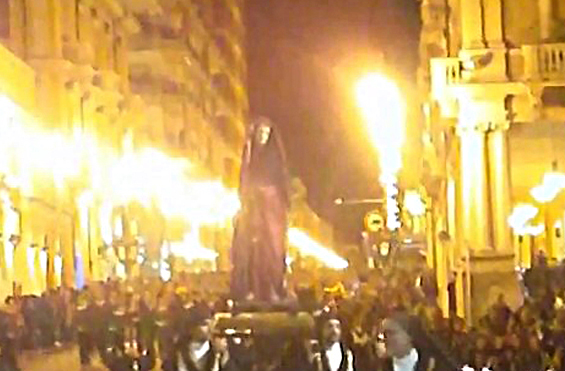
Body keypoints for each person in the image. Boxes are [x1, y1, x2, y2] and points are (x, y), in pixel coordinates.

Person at [231, 117, 290, 302]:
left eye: (266, 133)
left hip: (271, 209)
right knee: (252, 249)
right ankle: (252, 288)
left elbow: (282, 184)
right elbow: (244, 180)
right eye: (260, 133)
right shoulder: (250, 154)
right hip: (254, 208)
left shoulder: (276, 159)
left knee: (272, 248)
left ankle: (273, 285)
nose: (262, 137)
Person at [162, 304, 237, 371]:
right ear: (191, 328)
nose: (210, 328)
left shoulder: (217, 350)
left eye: (212, 323)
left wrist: (222, 356)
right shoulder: (177, 352)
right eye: (205, 324)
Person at [380, 310, 460, 371]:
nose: (385, 338)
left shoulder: (434, 366)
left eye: (391, 333)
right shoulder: (379, 367)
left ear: (409, 335)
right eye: (384, 333)